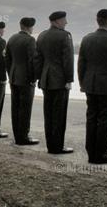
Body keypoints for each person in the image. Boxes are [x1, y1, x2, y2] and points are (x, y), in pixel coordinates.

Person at [78, 9, 107, 164]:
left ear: (98, 21)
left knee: (92, 118)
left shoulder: (86, 39)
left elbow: (81, 64)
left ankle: (91, 153)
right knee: (106, 119)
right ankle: (101, 155)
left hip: (90, 85)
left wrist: (82, 82)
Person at [35, 11, 74, 154]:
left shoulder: (41, 35)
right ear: (57, 21)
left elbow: (37, 60)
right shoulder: (64, 36)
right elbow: (68, 60)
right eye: (64, 20)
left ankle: (51, 146)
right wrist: (69, 79)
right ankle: (57, 147)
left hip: (46, 79)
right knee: (59, 115)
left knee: (49, 115)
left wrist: (39, 77)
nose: (66, 23)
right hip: (59, 80)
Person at [5, 17, 40, 145]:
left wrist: (10, 74)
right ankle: (24, 137)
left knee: (16, 108)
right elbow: (32, 61)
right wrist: (33, 78)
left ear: (21, 26)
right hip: (26, 79)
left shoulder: (12, 38)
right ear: (30, 27)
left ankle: (17, 136)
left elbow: (7, 60)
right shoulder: (30, 40)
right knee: (25, 109)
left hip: (14, 77)